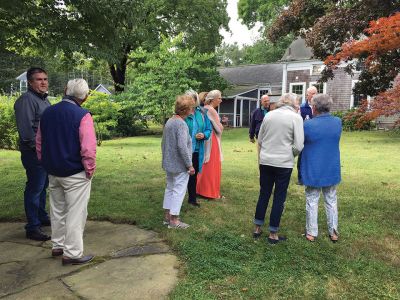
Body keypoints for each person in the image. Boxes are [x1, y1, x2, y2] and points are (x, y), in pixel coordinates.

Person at [36, 79, 96, 265]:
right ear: (85, 97)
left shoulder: (47, 112)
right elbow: (88, 148)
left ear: (65, 90)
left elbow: (39, 142)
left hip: (53, 171)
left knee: (58, 209)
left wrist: (45, 162)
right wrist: (90, 170)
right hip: (75, 172)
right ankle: (72, 253)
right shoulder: (83, 115)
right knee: (76, 213)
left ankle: (58, 245)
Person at [253, 93, 304, 244]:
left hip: (266, 160)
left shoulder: (269, 115)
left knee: (264, 193)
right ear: (294, 104)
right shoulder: (296, 118)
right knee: (279, 196)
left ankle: (257, 227)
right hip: (283, 163)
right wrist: (290, 154)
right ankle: (273, 233)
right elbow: (299, 145)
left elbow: (260, 139)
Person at [14, 67, 51, 241]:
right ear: (30, 82)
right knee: (35, 188)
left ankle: (42, 217)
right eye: (38, 79)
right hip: (33, 152)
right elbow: (26, 130)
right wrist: (37, 150)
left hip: (45, 152)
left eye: (45, 79)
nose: (43, 82)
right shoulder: (27, 100)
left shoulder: (44, 100)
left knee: (43, 186)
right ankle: (32, 227)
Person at [300, 94, 342, 243]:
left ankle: (311, 232)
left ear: (314, 107)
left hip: (313, 167)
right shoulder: (337, 122)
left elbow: (300, 144)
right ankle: (333, 232)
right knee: (331, 200)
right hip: (331, 167)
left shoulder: (307, 125)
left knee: (312, 199)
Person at [162, 95, 195, 229]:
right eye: (191, 108)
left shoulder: (170, 121)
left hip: (169, 163)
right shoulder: (181, 124)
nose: (192, 110)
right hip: (179, 165)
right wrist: (189, 165)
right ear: (186, 110)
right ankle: (174, 220)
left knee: (170, 188)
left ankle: (167, 217)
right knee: (178, 190)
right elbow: (182, 146)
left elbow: (163, 143)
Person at [184, 90, 212, 207]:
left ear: (195, 101)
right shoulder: (183, 114)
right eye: (187, 99)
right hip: (184, 150)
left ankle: (192, 198)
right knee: (182, 175)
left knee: (193, 174)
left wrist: (204, 135)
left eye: (191, 99)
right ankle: (178, 197)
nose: (189, 101)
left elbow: (208, 129)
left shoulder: (202, 113)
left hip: (196, 150)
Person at [196, 90, 224, 199]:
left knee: (204, 163)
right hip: (212, 140)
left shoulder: (203, 109)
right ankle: (210, 192)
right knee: (212, 165)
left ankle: (200, 189)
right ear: (213, 99)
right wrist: (221, 126)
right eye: (219, 98)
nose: (221, 101)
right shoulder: (211, 110)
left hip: (205, 139)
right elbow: (219, 129)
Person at [297, 86, 317, 185]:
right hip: (304, 137)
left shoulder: (319, 107)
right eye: (312, 93)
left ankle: (313, 176)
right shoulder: (301, 108)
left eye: (315, 93)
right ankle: (300, 178)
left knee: (314, 157)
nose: (314, 95)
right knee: (302, 158)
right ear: (307, 95)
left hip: (316, 137)